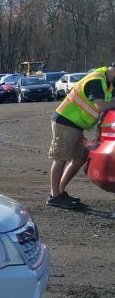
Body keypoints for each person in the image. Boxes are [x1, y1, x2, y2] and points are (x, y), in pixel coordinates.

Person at [46, 62, 115, 209]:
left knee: (80, 157)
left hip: (77, 125)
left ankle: (61, 191)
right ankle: (54, 196)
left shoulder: (108, 83)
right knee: (61, 158)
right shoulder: (97, 80)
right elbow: (102, 106)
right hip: (65, 121)